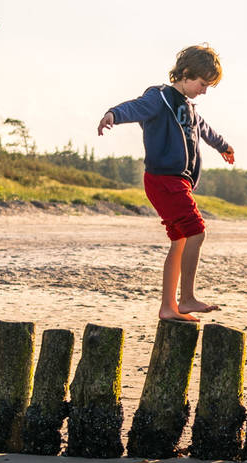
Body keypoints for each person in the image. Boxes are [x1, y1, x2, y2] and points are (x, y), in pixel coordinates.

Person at [97, 45, 235, 322]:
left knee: (181, 240)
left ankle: (168, 307)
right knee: (197, 231)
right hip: (164, 179)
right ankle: (186, 298)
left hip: (178, 182)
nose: (204, 90)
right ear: (185, 74)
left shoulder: (189, 108)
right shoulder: (160, 97)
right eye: (202, 83)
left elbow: (205, 130)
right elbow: (136, 107)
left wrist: (223, 145)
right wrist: (113, 114)